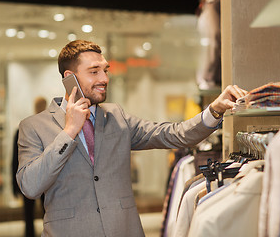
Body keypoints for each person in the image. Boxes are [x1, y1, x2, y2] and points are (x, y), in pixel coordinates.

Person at [16, 40, 247, 237]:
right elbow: (30, 186)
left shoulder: (117, 116)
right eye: (94, 71)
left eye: (105, 70)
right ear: (70, 78)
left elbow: (174, 134)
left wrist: (215, 110)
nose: (104, 78)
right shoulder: (33, 126)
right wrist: (69, 132)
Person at [12, 97, 47, 237]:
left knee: (48, 212)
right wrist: (15, 183)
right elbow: (16, 159)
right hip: (30, 175)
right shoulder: (25, 128)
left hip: (46, 178)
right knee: (28, 213)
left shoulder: (51, 129)